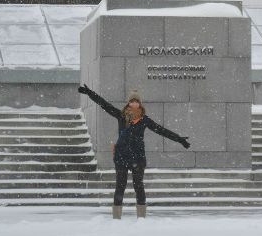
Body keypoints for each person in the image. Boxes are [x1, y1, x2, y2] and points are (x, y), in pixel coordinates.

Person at [78, 84, 190, 219]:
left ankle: (141, 219)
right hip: (122, 156)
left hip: (137, 157)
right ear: (129, 103)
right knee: (120, 186)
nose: (134, 103)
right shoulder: (121, 116)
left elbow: (161, 130)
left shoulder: (144, 120)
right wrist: (89, 93)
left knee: (139, 187)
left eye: (136, 101)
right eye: (132, 101)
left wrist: (179, 139)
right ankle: (116, 219)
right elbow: (105, 105)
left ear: (140, 104)